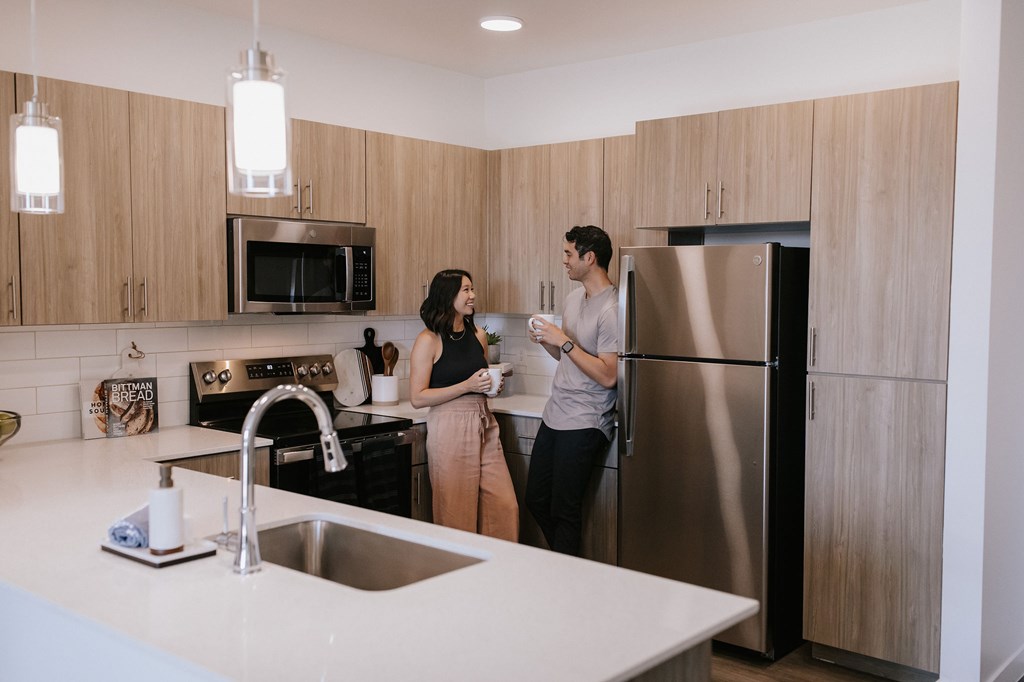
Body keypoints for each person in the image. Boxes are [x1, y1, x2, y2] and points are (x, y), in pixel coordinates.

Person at [525, 225, 617, 556]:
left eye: (568, 253)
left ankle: (569, 584)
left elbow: (608, 376)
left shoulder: (612, 309)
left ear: (589, 257)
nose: (564, 260)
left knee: (565, 511)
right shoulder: (573, 298)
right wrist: (547, 340)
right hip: (556, 413)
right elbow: (569, 357)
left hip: (587, 420)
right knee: (535, 499)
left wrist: (562, 341)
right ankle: (570, 568)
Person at [409, 269, 519, 541]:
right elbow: (417, 397)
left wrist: (490, 388)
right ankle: (461, 581)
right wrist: (466, 386)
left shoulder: (478, 334)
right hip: (449, 427)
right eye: (466, 290)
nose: (473, 296)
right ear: (448, 296)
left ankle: (497, 577)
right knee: (456, 515)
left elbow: (477, 379)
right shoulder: (428, 340)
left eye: (472, 289)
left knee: (505, 507)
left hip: (484, 422)